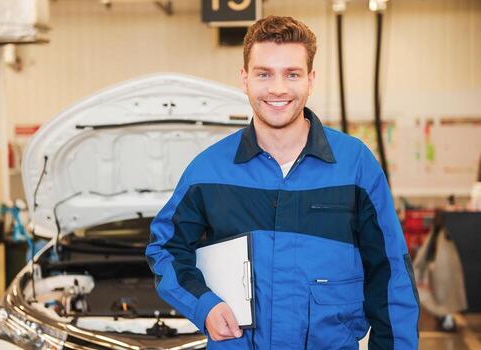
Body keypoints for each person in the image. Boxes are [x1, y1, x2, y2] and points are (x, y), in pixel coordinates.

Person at [146, 15, 419, 349]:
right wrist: (203, 304)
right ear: (244, 78)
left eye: (292, 74)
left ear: (311, 79)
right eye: (264, 74)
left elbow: (390, 274)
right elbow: (165, 248)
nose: (277, 88)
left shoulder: (355, 165)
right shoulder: (208, 170)